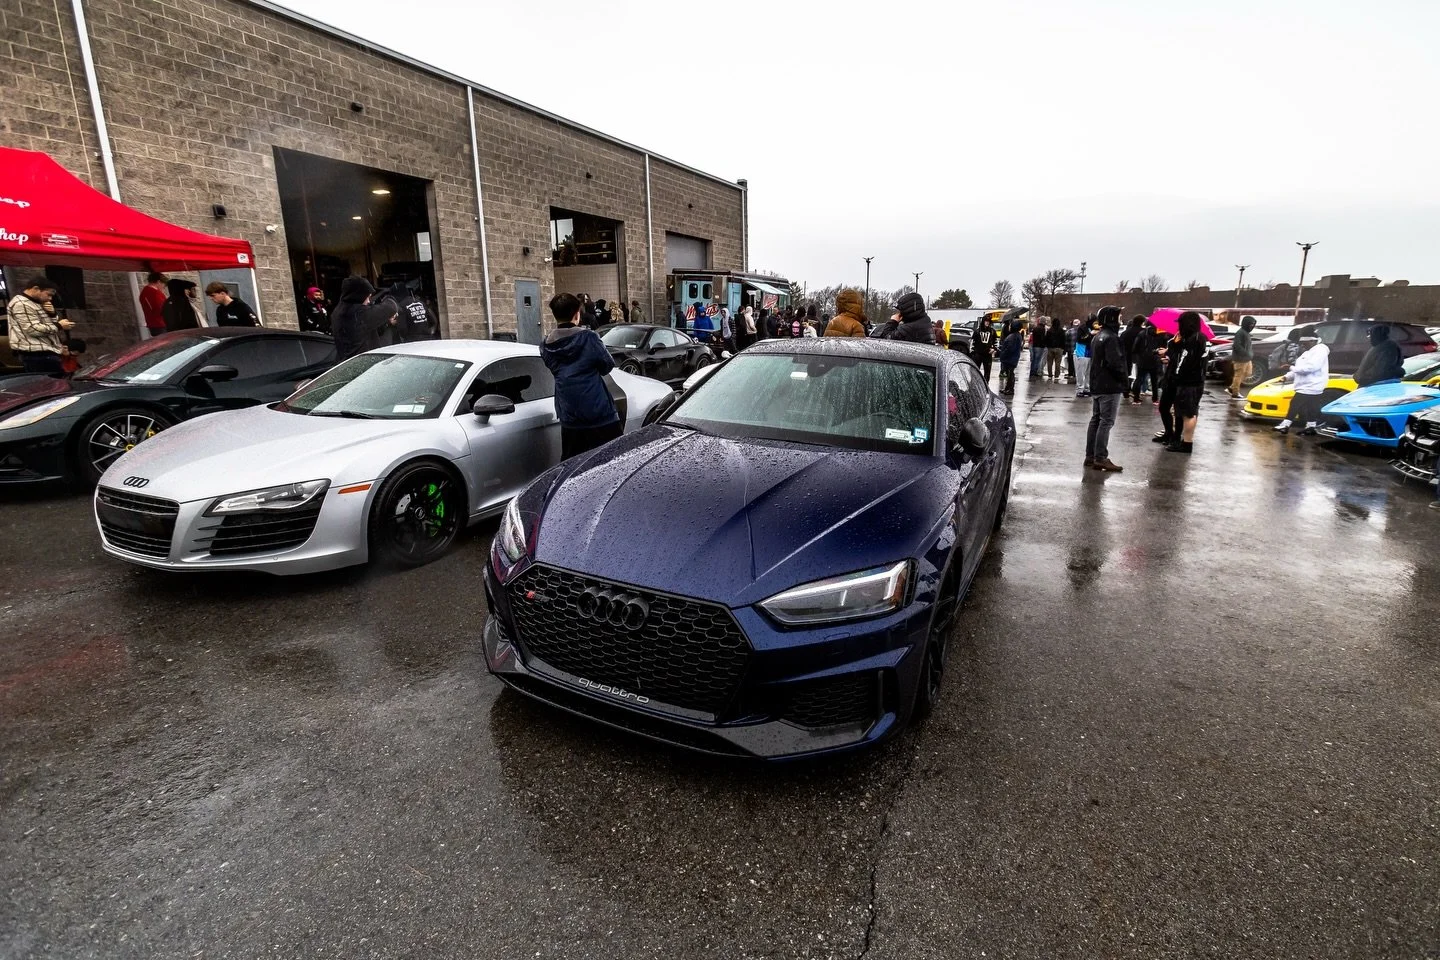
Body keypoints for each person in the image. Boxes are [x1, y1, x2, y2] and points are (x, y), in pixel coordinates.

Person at [541, 292, 622, 459]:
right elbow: (607, 365)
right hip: (598, 413)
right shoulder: (589, 338)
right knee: (611, 461)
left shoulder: (545, 345)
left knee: (572, 467)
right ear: (577, 314)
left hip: (569, 415)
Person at [1084, 306, 1126, 472]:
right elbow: (1115, 363)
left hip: (1098, 384)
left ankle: (1091, 455)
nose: (1121, 319)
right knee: (1106, 421)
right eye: (1119, 316)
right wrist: (1124, 381)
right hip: (1109, 385)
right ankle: (1100, 457)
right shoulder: (1111, 338)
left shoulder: (1098, 337)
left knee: (1096, 419)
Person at [6, 276, 72, 375]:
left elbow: (47, 325)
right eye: (48, 294)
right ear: (36, 289)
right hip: (36, 354)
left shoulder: (35, 303)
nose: (50, 298)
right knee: (49, 385)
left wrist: (52, 314)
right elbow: (33, 329)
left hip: (46, 352)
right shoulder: (22, 303)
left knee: (56, 383)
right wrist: (59, 325)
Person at [1164, 311, 1208, 454]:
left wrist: (1177, 374)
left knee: (1188, 413)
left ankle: (1187, 443)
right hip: (1195, 381)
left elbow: (1186, 362)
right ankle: (1184, 441)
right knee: (1187, 412)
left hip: (1189, 382)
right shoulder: (1198, 338)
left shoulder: (1194, 340)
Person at [332, 276, 399, 362]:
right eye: (367, 297)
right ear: (358, 296)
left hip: (345, 363)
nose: (368, 301)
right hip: (363, 365)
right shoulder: (357, 313)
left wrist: (386, 322)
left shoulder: (337, 312)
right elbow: (391, 307)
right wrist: (387, 297)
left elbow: (367, 330)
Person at [1274, 333, 1330, 435]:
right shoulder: (1308, 352)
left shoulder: (1320, 351)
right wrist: (1287, 376)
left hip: (1311, 384)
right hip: (1309, 384)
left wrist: (1290, 368)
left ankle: (1285, 425)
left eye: (1304, 343)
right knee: (1311, 407)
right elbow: (1298, 368)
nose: (1302, 345)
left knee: (1295, 403)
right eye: (1301, 343)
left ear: (1312, 341)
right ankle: (1311, 427)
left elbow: (1311, 368)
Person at [1131, 321, 1163, 404]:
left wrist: (1138, 354)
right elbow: (1162, 346)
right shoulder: (1159, 333)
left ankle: (1136, 398)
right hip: (1154, 359)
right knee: (1154, 381)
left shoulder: (1142, 333)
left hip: (1142, 360)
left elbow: (1135, 347)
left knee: (1139, 379)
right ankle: (1155, 399)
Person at [1227, 315, 1257, 398]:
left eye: (1253, 325)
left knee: (1248, 373)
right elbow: (1237, 345)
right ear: (1246, 324)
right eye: (1251, 324)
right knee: (1238, 375)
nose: (1252, 326)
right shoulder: (1240, 333)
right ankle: (1235, 393)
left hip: (1247, 358)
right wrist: (1245, 353)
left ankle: (1232, 387)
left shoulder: (1246, 333)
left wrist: (1249, 354)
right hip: (1240, 359)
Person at [139, 272, 167, 338]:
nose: (163, 287)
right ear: (158, 282)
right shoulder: (154, 293)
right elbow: (161, 309)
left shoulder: (145, 292)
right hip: (160, 324)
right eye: (163, 284)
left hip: (153, 323)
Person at [997, 322, 1023, 396]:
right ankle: (1008, 388)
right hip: (1012, 358)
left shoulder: (1013, 336)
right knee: (1009, 373)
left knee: (1010, 373)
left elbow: (1009, 348)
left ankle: (1010, 389)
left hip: (1010, 358)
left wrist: (1002, 354)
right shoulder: (1016, 335)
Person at [1073, 317, 1096, 398]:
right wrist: (1090, 334)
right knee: (1080, 373)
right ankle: (1080, 389)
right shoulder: (1082, 328)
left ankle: (1086, 388)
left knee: (1088, 373)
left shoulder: (1092, 328)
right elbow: (1079, 339)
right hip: (1081, 353)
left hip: (1089, 354)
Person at [970, 314, 997, 381]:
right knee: (975, 371)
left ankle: (986, 387)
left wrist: (994, 349)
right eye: (986, 321)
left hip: (988, 355)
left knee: (987, 373)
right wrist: (973, 353)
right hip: (978, 354)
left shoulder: (992, 331)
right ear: (983, 321)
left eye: (989, 321)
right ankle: (974, 385)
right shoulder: (977, 331)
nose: (987, 322)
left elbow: (995, 342)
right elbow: (972, 342)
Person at [1044, 316, 1066, 380]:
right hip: (1059, 348)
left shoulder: (1049, 330)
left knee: (1050, 362)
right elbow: (1064, 340)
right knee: (1058, 363)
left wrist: (1048, 346)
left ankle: (1050, 375)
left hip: (1050, 348)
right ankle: (1056, 375)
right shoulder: (1061, 331)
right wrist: (1063, 348)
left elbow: (1046, 339)